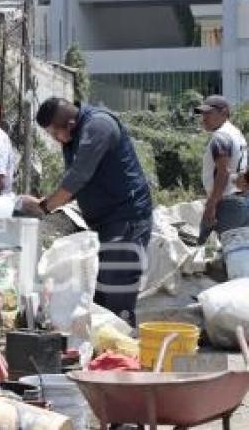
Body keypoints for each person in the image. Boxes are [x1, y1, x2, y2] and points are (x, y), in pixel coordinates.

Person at [23, 97, 153, 326]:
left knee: (117, 287)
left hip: (125, 218)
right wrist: (43, 201)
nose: (55, 140)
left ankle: (122, 352)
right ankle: (106, 348)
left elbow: (78, 176)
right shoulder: (73, 136)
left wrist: (44, 208)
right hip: (103, 221)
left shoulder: (99, 126)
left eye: (55, 134)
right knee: (100, 290)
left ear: (70, 124)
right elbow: (75, 184)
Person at [195, 95, 249, 243]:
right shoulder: (237, 134)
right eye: (202, 114)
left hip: (227, 205)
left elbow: (223, 173)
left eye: (209, 113)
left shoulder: (221, 137)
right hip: (242, 202)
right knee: (239, 254)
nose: (204, 118)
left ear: (224, 113)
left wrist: (211, 206)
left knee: (225, 254)